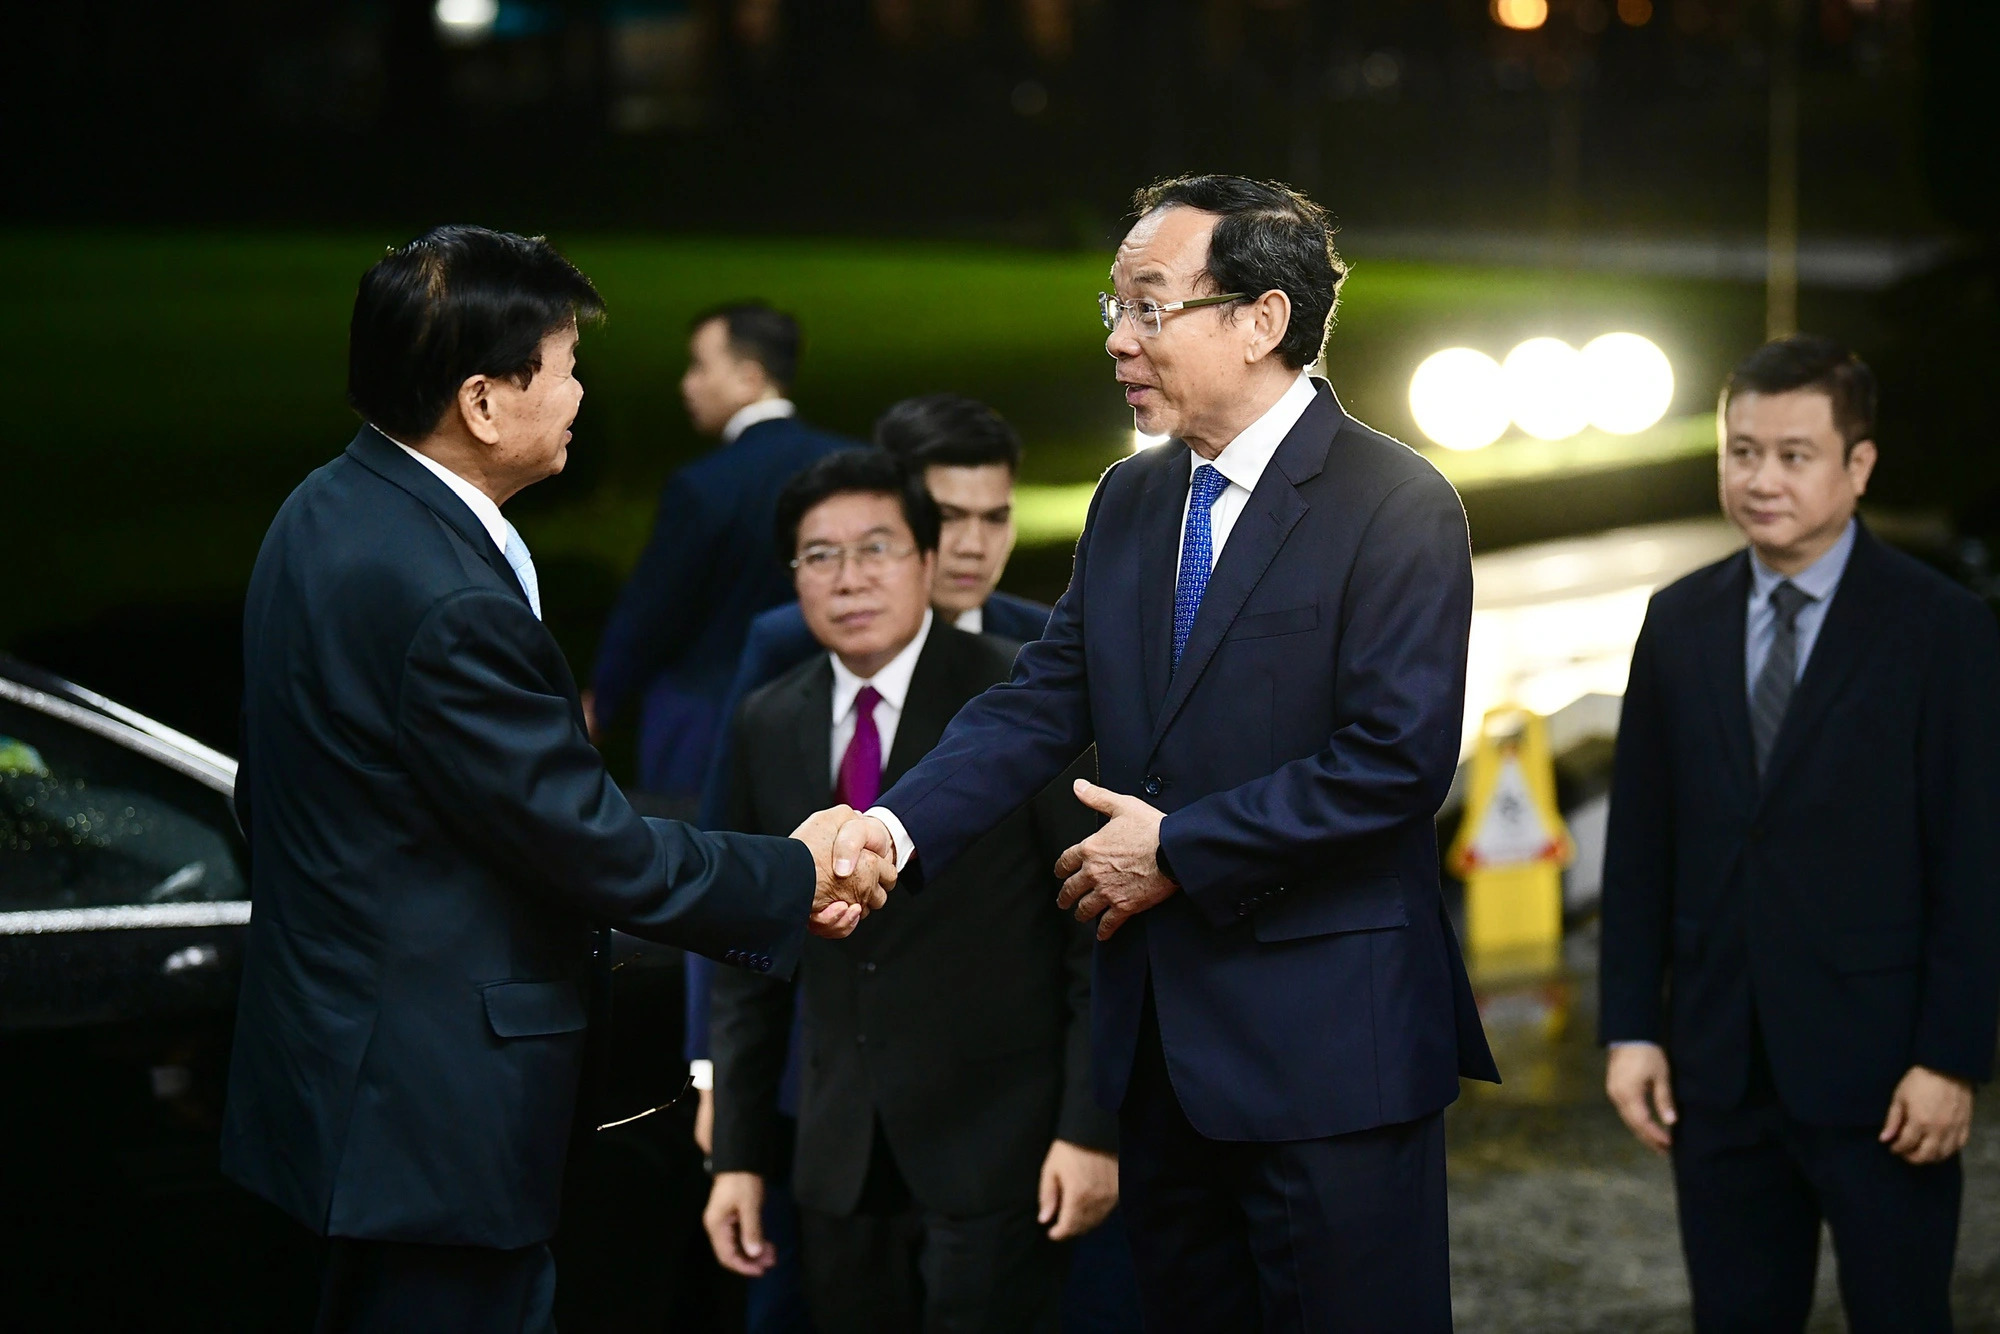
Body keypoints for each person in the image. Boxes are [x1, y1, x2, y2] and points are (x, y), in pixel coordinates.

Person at [831, 175, 1499, 1332]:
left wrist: (1180, 848)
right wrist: (886, 831)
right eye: (1112, 308)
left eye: (1148, 308)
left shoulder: (1394, 501)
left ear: (1260, 320)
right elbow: (1037, 702)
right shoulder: (1130, 502)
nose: (1117, 340)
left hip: (1329, 1053)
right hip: (1161, 1059)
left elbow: (1395, 762)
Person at [221, 227, 893, 1334]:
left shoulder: (323, 509)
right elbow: (588, 843)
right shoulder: (449, 598)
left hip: (335, 1086)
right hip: (431, 1122)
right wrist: (793, 866)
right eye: (567, 363)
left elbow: (278, 788)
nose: (582, 390)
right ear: (483, 402)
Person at [1599, 335, 2000, 1332]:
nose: (1759, 478)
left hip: (1882, 1074)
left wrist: (1950, 1056)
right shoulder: (1676, 620)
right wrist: (1629, 1026)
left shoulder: (1938, 626)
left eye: (1791, 454)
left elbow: (1973, 854)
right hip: (1716, 1069)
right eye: (1740, 451)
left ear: (1855, 466)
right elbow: (1639, 841)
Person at [702, 449, 1118, 1334]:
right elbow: (747, 954)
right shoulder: (766, 720)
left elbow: (1096, 931)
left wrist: (1091, 1129)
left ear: (930, 562)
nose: (848, 578)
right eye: (820, 555)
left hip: (1004, 1147)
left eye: (877, 548)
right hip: (838, 1154)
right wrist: (738, 1156)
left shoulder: (1021, 701)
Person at [585, 302, 853, 808]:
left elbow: (652, 609)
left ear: (750, 377)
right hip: (831, 715)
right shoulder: (855, 467)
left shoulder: (703, 486)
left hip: (703, 726)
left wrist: (604, 698)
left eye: (700, 365)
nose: (687, 384)